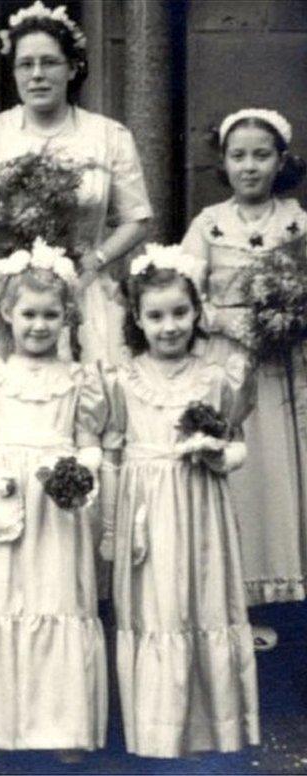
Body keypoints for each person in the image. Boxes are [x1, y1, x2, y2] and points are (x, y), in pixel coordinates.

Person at [0, 239, 107, 761]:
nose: (39, 325)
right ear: (7, 314)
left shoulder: (80, 380)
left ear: (67, 319)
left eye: (50, 315)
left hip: (57, 510)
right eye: (28, 314)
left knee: (58, 602)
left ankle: (61, 730)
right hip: (3, 503)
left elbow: (91, 445)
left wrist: (79, 474)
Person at [100, 245, 259, 757]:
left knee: (203, 603)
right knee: (157, 612)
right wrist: (109, 528)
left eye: (179, 313)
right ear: (138, 321)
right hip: (146, 509)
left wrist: (217, 456)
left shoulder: (216, 378)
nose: (169, 326)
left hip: (200, 507)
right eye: (156, 316)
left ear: (196, 314)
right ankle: (156, 733)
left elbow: (237, 444)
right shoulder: (121, 380)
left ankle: (212, 730)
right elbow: (111, 454)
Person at [0, 0, 151, 365]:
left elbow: (137, 219)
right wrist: (0, 241)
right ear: (15, 71)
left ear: (72, 68)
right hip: (5, 294)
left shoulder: (108, 136)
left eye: (49, 62)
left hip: (83, 288)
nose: (37, 74)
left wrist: (96, 259)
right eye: (25, 64)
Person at [180, 108, 307, 651]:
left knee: (286, 468)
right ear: (224, 162)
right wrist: (228, 320)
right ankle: (237, 599)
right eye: (238, 156)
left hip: (287, 363)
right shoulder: (209, 224)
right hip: (228, 361)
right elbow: (181, 292)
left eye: (261, 155)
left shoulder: (299, 222)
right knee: (239, 469)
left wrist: (291, 315)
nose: (249, 166)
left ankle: (290, 593)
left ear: (281, 162)